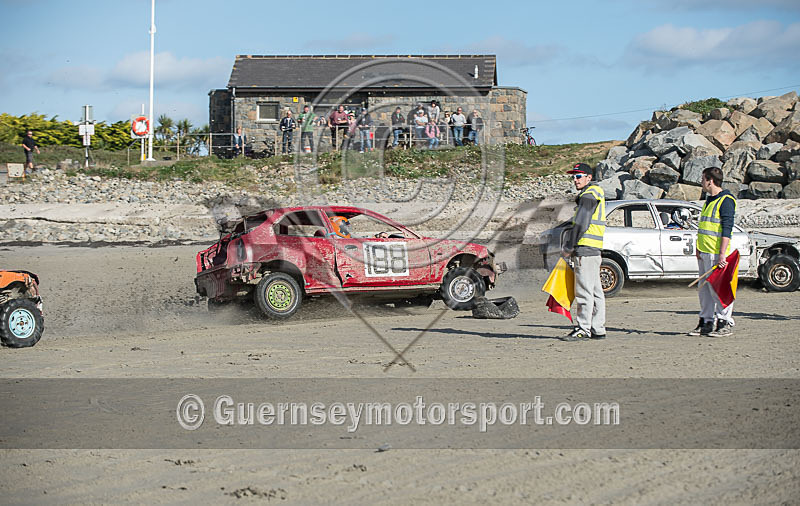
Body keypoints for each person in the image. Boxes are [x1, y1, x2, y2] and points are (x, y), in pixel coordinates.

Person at [560, 163, 606, 342]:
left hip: (585, 249)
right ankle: (597, 328)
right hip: (593, 249)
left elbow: (581, 224)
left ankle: (583, 328)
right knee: (595, 291)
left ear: (589, 177)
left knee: (584, 291)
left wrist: (569, 247)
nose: (575, 179)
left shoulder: (588, 195)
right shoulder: (595, 193)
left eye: (579, 176)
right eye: (574, 176)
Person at [689, 167, 737, 337]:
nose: (701, 182)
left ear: (710, 180)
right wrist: (698, 248)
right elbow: (704, 227)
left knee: (719, 289)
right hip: (704, 251)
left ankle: (724, 322)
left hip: (717, 253)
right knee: (704, 290)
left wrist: (722, 254)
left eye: (703, 179)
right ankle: (706, 321)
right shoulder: (709, 200)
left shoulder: (726, 200)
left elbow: (727, 229)